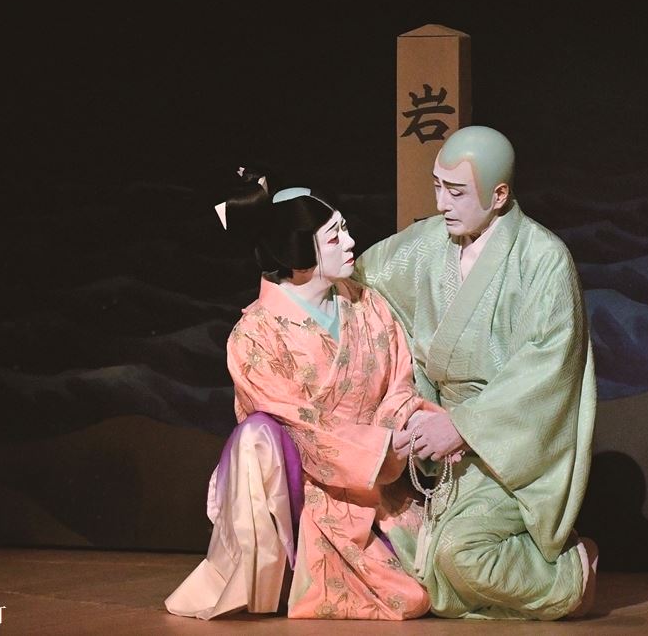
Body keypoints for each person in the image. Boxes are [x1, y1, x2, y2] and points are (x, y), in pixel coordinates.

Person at [355, 126, 599, 620]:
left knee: (458, 555)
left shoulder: (543, 259)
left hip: (506, 449)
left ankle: (572, 576)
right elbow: (363, 284)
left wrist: (463, 426)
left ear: (500, 195)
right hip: (433, 439)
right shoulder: (427, 244)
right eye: (437, 186)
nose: (442, 203)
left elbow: (547, 369)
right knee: (402, 557)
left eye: (457, 191)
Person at [165, 171, 430, 620]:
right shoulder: (254, 334)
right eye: (335, 237)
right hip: (308, 487)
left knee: (441, 576)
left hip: (383, 473)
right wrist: (378, 447)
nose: (351, 243)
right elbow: (297, 426)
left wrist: (398, 429)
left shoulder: (366, 304)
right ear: (299, 251)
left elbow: (399, 378)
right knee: (406, 598)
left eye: (345, 229)